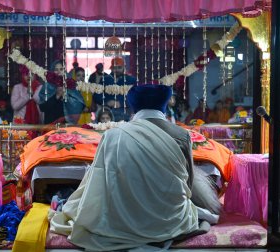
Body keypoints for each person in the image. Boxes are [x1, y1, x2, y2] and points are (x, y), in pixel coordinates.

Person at [50, 84, 220, 251]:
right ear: (164, 104)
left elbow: (100, 183)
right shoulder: (181, 135)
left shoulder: (112, 135)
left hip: (118, 220)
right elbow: (188, 185)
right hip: (168, 219)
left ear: (133, 107)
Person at [93, 57, 136, 122]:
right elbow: (96, 96)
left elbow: (135, 97)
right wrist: (107, 102)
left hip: (126, 115)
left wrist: (121, 103)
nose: (117, 70)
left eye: (119, 67)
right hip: (108, 115)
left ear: (124, 68)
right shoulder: (105, 79)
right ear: (111, 68)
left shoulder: (131, 80)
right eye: (115, 67)